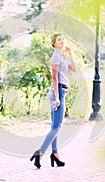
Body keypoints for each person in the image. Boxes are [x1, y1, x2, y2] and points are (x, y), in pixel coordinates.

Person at [30, 33, 77, 169]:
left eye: (63, 39)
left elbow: (73, 69)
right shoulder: (56, 57)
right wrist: (57, 97)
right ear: (54, 44)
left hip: (61, 91)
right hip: (58, 92)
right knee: (57, 126)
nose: (62, 41)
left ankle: (55, 154)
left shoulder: (62, 55)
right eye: (59, 40)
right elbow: (54, 78)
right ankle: (40, 153)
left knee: (54, 126)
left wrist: (70, 54)